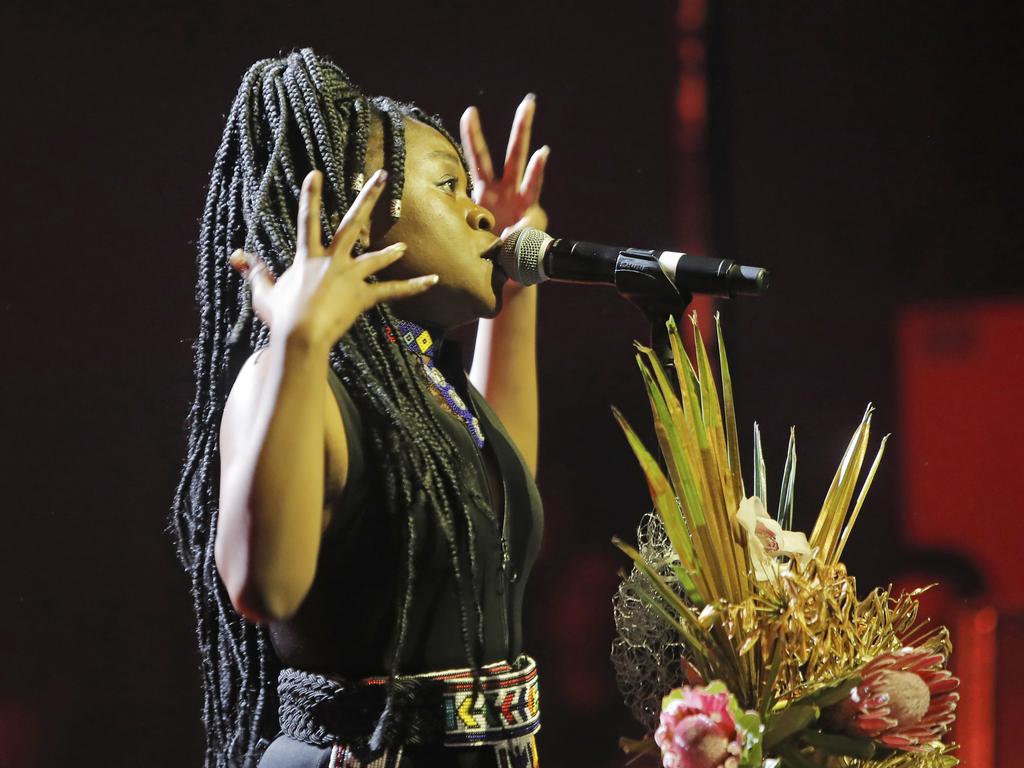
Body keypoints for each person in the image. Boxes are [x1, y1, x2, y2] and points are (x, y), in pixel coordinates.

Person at [170, 48, 551, 768]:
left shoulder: (426, 384)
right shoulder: (289, 373)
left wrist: (517, 288)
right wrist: (302, 342)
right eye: (449, 185)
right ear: (364, 211)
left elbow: (497, 495)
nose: (477, 210)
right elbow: (265, 586)